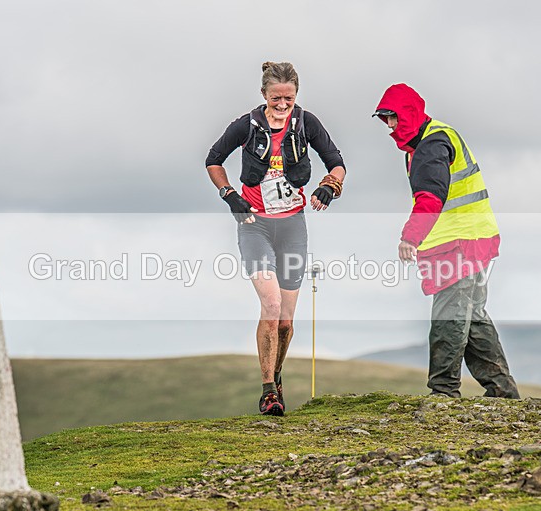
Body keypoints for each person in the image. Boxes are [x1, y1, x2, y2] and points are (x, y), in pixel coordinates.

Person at [206, 61, 346, 416]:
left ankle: (277, 374)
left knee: (285, 321)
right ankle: (269, 391)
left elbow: (337, 162)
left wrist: (331, 186)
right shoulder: (247, 125)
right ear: (264, 95)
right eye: (276, 98)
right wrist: (229, 195)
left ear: (296, 95)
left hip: (292, 226)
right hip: (254, 224)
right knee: (269, 307)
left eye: (289, 97)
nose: (283, 104)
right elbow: (213, 159)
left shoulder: (306, 123)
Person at [373, 83, 519, 399]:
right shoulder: (429, 141)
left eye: (392, 117)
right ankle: (502, 392)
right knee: (472, 319)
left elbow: (430, 197)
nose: (388, 126)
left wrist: (410, 237)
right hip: (471, 238)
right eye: (384, 118)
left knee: (448, 316)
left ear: (408, 114)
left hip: (459, 243)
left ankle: (443, 391)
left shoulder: (430, 145)